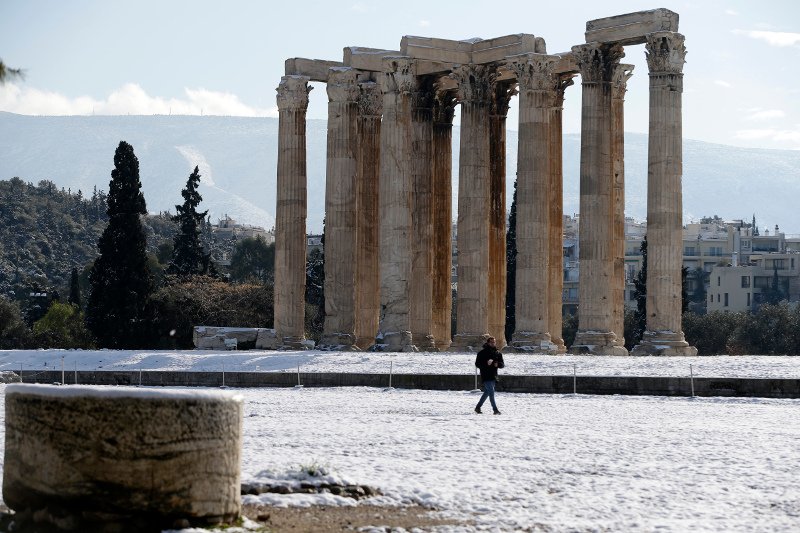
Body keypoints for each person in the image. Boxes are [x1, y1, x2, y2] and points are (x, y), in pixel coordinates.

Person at [474, 336, 504, 415]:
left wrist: (497, 364)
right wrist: (486, 363)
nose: (493, 343)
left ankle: (478, 407)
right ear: (488, 343)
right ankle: (495, 410)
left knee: (487, 392)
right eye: (491, 342)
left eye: (494, 342)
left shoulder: (498, 353)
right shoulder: (482, 353)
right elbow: (477, 364)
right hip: (485, 375)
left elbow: (502, 364)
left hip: (494, 375)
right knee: (491, 392)